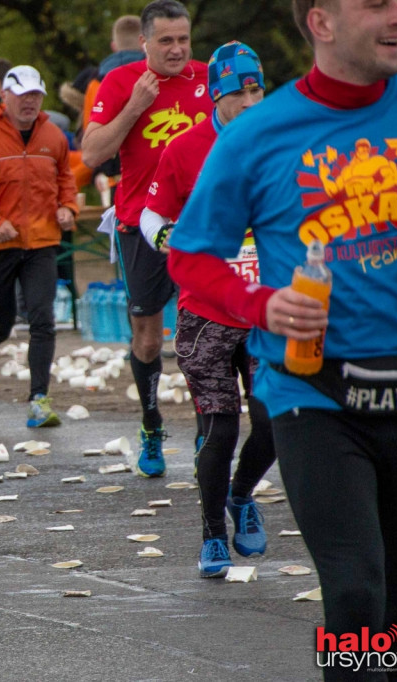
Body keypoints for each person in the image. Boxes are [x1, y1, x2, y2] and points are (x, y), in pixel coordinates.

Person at [168, 1, 397, 676]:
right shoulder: (258, 134)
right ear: (321, 22)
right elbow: (191, 255)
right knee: (354, 592)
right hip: (314, 398)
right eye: (376, 3)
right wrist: (261, 304)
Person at [140, 41, 273, 578]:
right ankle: (213, 533)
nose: (249, 101)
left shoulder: (278, 145)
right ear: (217, 95)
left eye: (256, 89)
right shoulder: (185, 149)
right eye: (239, 92)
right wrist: (171, 236)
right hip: (206, 313)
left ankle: (241, 497)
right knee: (220, 429)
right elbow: (151, 214)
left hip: (266, 312)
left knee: (274, 422)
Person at [81, 0, 211, 477]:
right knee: (150, 339)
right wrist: (136, 104)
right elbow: (92, 152)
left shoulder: (210, 77)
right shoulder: (121, 83)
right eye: (166, 41)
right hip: (142, 223)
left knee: (206, 335)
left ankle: (207, 433)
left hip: (203, 225)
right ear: (144, 42)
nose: (177, 49)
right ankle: (152, 423)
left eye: (183, 39)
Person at [0, 65, 78, 427]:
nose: (30, 103)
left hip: (41, 241)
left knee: (43, 319)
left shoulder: (53, 135)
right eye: (23, 96)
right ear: (4, 96)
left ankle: (39, 399)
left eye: (36, 96)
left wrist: (68, 208)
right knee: (2, 320)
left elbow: (65, 178)